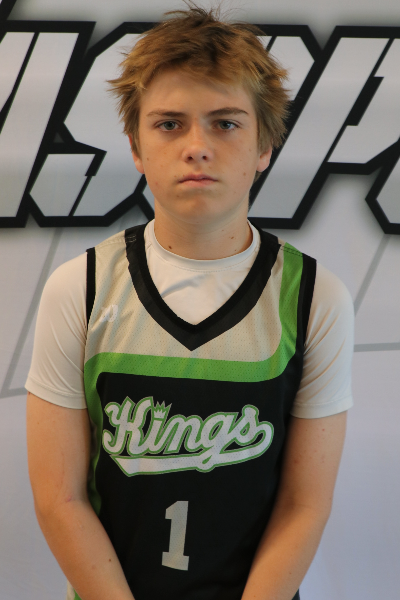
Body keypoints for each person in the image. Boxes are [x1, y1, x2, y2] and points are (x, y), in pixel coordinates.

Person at [26, 4, 354, 600]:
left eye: (225, 123)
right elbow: (59, 497)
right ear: (135, 145)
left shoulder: (314, 298)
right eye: (170, 124)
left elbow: (304, 504)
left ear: (265, 145)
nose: (197, 146)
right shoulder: (81, 287)